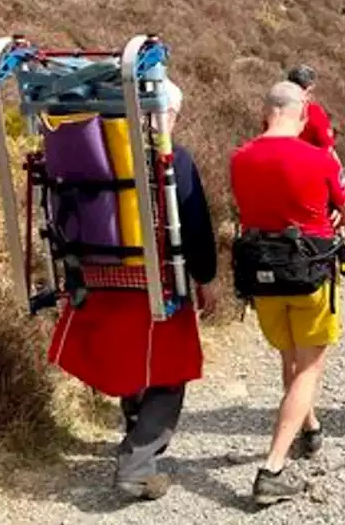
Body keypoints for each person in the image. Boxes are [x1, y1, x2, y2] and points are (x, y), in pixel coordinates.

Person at [46, 79, 218, 501]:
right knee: (170, 372)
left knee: (127, 357)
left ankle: (135, 426)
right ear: (166, 113)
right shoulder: (172, 158)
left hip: (95, 278)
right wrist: (205, 277)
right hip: (155, 283)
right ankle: (137, 465)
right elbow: (194, 226)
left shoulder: (92, 161)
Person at [230, 81, 345, 506]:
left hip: (262, 278)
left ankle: (309, 428)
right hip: (308, 274)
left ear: (267, 111)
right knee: (310, 367)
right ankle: (272, 468)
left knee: (290, 358)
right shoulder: (317, 157)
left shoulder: (239, 159)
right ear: (302, 111)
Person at [287, 64, 336, 153]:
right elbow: (328, 149)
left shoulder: (275, 111)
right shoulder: (314, 112)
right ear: (309, 89)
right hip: (307, 164)